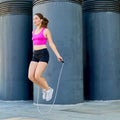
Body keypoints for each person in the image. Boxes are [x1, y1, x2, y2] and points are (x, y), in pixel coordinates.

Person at [28, 13, 63, 101]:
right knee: (31, 76)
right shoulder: (33, 31)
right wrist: (34, 53)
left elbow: (51, 43)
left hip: (43, 53)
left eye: (36, 18)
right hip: (35, 54)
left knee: (37, 76)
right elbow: (34, 44)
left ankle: (48, 89)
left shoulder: (45, 30)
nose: (34, 20)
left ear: (41, 20)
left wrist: (58, 55)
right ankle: (45, 88)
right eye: (33, 19)